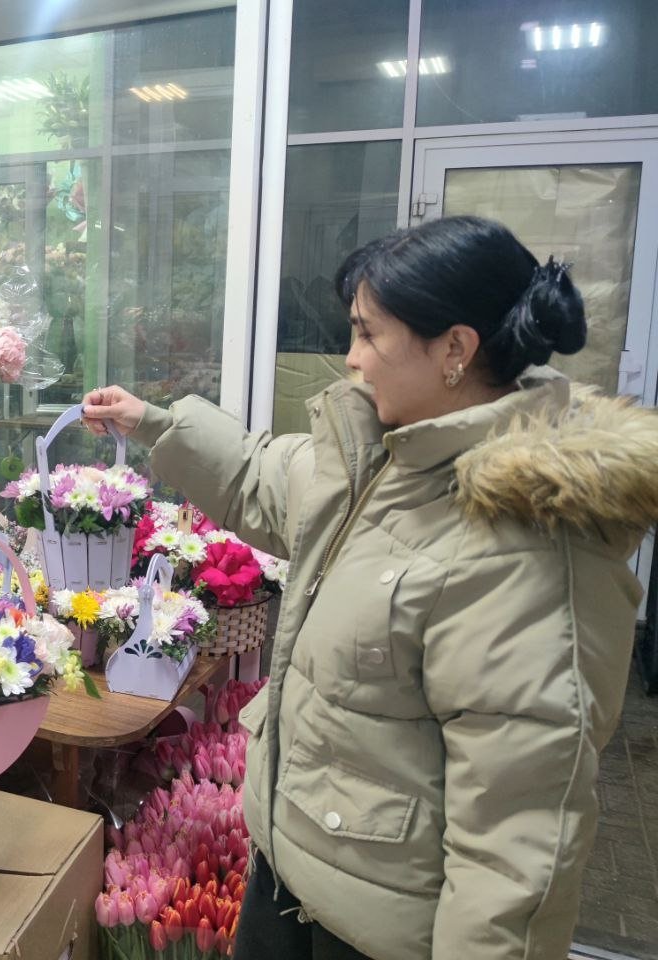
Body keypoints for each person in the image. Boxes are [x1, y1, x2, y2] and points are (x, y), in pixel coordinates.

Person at [82, 215, 658, 960]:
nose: (350, 358)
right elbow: (262, 475)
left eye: (367, 333)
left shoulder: (529, 547)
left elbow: (518, 843)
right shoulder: (389, 458)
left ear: (454, 349)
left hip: (380, 931)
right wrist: (152, 423)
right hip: (291, 881)